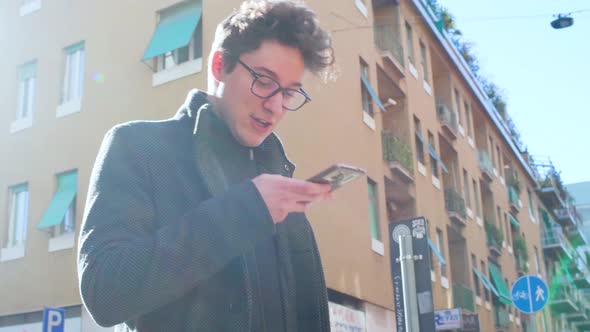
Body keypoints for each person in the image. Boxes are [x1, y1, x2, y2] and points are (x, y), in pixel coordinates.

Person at [77, 0, 336, 331]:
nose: (275, 106)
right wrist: (247, 210)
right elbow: (105, 292)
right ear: (218, 66)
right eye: (264, 81)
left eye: (289, 92)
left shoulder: (280, 180)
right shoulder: (139, 148)